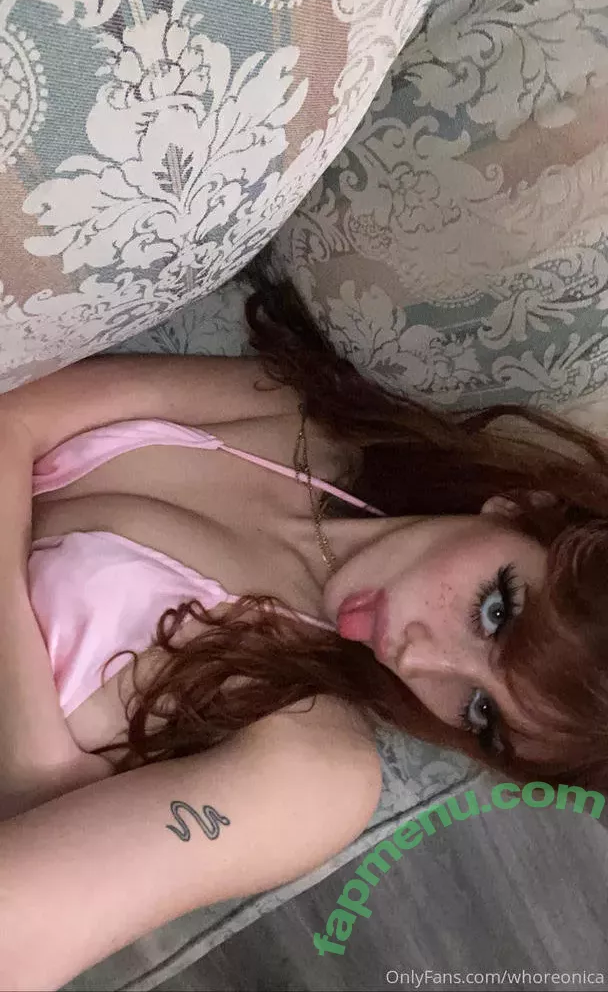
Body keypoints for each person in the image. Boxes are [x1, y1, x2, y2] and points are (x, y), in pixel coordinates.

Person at [0, 265, 607, 989]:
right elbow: (12, 414)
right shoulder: (298, 421)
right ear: (519, 509)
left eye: (480, 712)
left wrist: (35, 783)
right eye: (494, 613)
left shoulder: (317, 770)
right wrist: (41, 770)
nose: (421, 659)